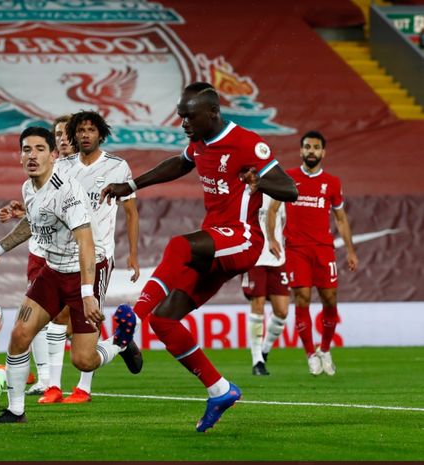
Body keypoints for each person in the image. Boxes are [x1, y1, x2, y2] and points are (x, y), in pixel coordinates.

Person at [101, 82, 298, 432]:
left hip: (242, 239)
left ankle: (127, 327)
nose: (184, 123)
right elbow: (178, 164)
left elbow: (290, 190)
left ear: (213, 112)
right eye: (181, 116)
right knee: (165, 321)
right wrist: (130, 186)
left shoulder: (249, 143)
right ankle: (220, 390)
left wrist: (258, 181)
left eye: (190, 116)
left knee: (179, 246)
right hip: (216, 241)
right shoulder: (199, 143)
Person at [0, 126, 140, 424]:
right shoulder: (28, 187)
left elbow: (86, 243)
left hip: (84, 272)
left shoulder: (67, 190)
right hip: (52, 271)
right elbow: (33, 224)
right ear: (20, 156)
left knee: (83, 360)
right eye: (26, 149)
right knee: (20, 335)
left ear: (53, 155)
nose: (31, 155)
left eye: (38, 149)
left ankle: (120, 342)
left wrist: (88, 295)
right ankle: (15, 410)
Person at [37, 110, 140, 405]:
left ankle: (86, 385)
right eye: (79, 130)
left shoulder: (117, 167)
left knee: (88, 317)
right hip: (64, 255)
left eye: (90, 130)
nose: (84, 135)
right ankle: (53, 387)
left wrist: (132, 254)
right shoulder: (62, 167)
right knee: (57, 317)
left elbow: (131, 212)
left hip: (99, 255)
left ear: (100, 134)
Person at [266, 130, 358, 376]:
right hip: (296, 249)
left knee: (330, 299)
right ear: (301, 150)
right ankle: (310, 354)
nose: (311, 151)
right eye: (307, 147)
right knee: (302, 299)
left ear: (323, 152)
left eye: (316, 147)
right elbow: (273, 209)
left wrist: (350, 250)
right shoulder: (289, 178)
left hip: (324, 250)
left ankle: (325, 349)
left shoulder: (333, 183)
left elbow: (340, 218)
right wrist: (272, 237)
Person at [0, 114, 75, 396]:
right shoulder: (32, 181)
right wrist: (21, 213)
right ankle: (46, 380)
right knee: (36, 321)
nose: (64, 137)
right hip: (41, 253)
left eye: (67, 133)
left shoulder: (76, 175)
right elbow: (37, 212)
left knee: (77, 341)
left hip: (73, 258)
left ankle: (115, 345)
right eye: (59, 133)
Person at [241, 194, 289, 376]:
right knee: (257, 306)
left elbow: (284, 220)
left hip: (277, 257)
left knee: (282, 311)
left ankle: (264, 351)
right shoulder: (245, 193)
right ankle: (256, 360)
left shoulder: (278, 192)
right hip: (254, 256)